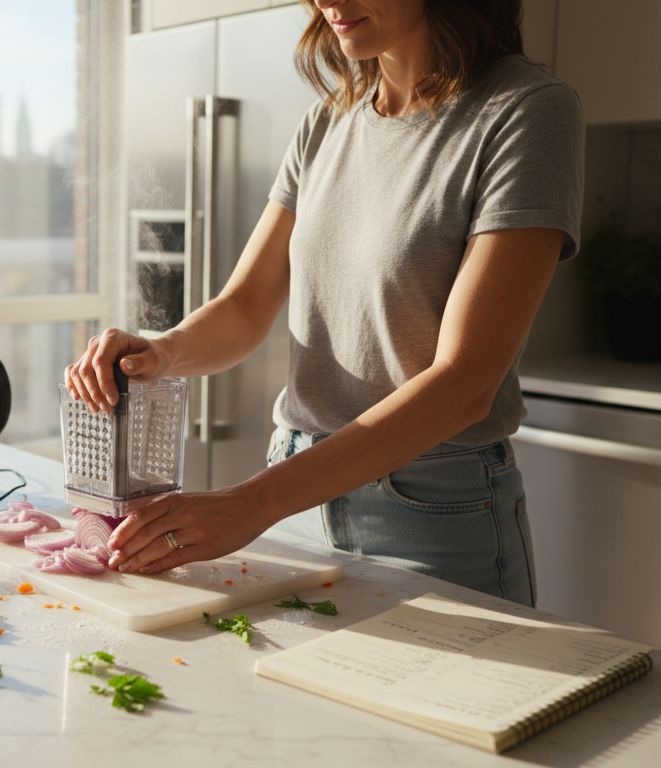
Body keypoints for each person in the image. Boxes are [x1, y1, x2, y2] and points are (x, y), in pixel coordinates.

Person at [64, 0, 582, 607]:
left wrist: (251, 502)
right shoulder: (327, 122)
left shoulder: (525, 111)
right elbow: (245, 305)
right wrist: (161, 350)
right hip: (294, 499)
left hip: (434, 511)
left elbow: (465, 383)